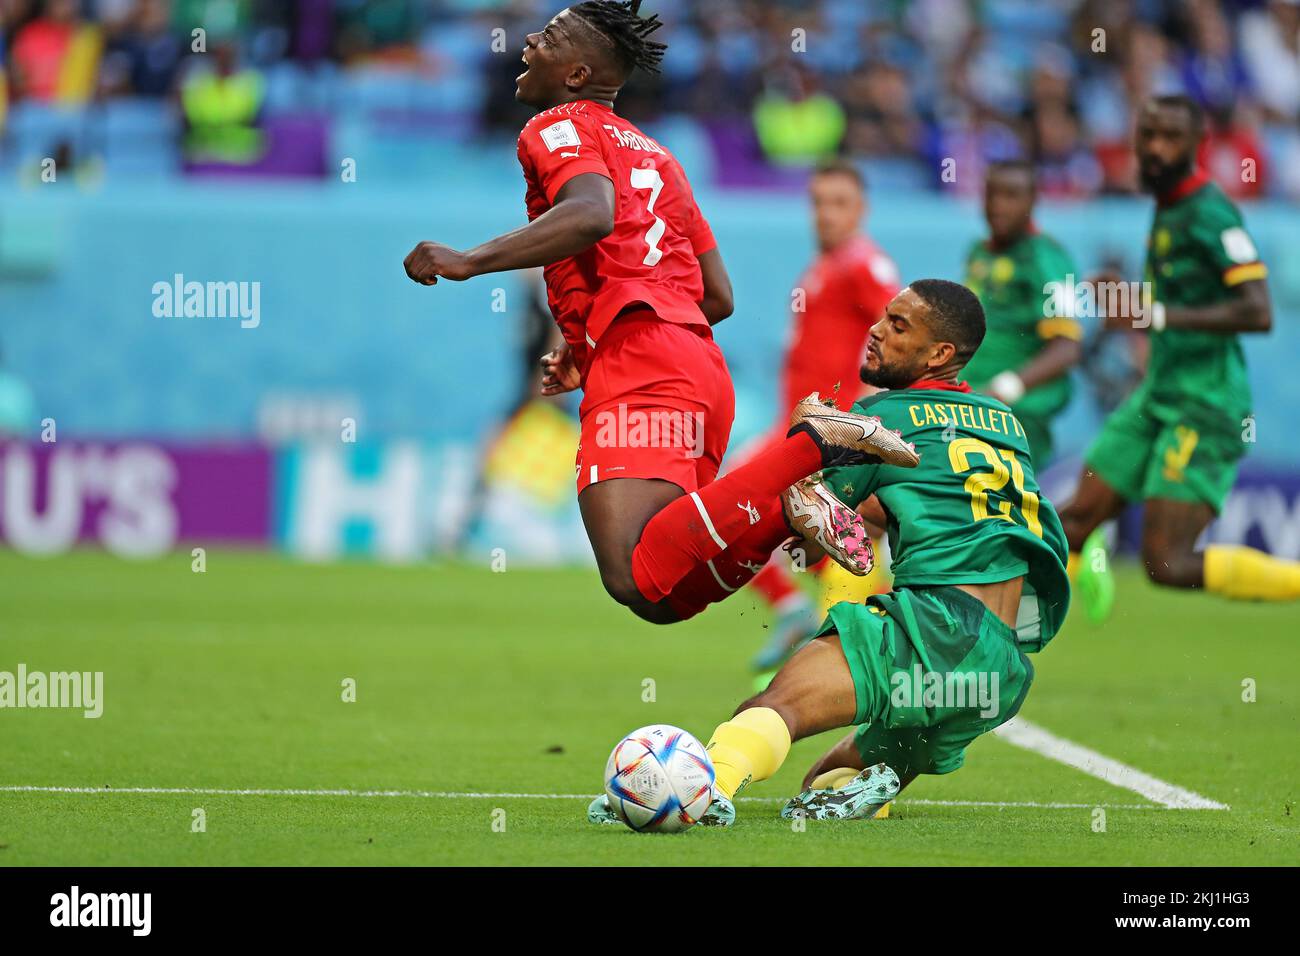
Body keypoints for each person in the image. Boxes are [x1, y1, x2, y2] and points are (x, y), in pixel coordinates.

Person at [402, 1, 917, 626]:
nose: (532, 38)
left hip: (644, 367)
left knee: (630, 571)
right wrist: (595, 340)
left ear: (577, 73)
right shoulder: (661, 158)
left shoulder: (557, 124)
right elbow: (718, 296)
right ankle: (787, 506)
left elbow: (591, 214)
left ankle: (806, 457)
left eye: (552, 35)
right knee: (663, 593)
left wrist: (469, 260)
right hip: (695, 367)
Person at [589, 279, 1070, 826]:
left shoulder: (886, 417)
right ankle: (867, 789)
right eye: (883, 317)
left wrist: (797, 507)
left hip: (935, 630)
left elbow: (802, 499)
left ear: (940, 354)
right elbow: (967, 512)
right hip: (999, 668)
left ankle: (692, 795)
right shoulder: (1006, 426)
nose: (876, 331)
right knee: (824, 782)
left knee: (770, 711)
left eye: (898, 326)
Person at [1060, 95, 1300, 616]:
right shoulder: (1167, 207)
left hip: (1204, 403)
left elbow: (1258, 311)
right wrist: (1135, 303)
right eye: (1148, 136)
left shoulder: (1210, 214)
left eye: (1170, 138)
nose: (1156, 149)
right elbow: (1169, 302)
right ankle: (1070, 585)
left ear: (1198, 145)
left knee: (1166, 564)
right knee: (1075, 520)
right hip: (1158, 393)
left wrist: (1155, 315)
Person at [744, 159, 901, 670]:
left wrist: (858, 419)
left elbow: (896, 337)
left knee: (736, 501)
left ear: (861, 209)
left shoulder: (864, 265)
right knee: (808, 532)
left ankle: (828, 620)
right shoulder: (823, 269)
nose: (825, 215)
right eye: (818, 203)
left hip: (827, 429)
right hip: (799, 426)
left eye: (839, 203)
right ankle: (860, 624)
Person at [962, 160, 1082, 467]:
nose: (998, 206)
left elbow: (1067, 348)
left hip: (1014, 413)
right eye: (992, 195)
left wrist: (1005, 388)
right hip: (970, 402)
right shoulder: (979, 252)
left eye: (1011, 196)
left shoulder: (1049, 259)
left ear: (1032, 201)